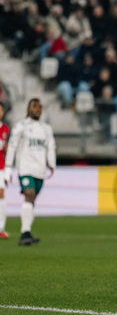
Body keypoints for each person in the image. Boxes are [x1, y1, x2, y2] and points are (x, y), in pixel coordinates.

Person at [4, 99, 56, 246]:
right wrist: (8, 167)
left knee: (32, 200)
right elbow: (12, 146)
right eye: (35, 107)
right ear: (28, 109)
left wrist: (51, 163)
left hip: (40, 169)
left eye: (40, 107)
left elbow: (51, 146)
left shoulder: (46, 128)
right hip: (25, 167)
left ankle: (27, 231)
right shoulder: (21, 126)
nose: (38, 110)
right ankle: (24, 233)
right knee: (29, 194)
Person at [0, 102, 9, 238]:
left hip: (0, 166)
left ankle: (1, 228)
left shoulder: (4, 128)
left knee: (1, 194)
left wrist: (8, 170)